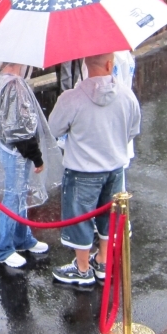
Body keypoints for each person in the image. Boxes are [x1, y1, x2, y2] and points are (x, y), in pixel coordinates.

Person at [48, 52, 141, 288]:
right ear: (111, 64)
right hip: (115, 168)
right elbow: (133, 129)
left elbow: (54, 128)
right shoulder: (126, 95)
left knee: (80, 217)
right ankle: (102, 260)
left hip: (82, 171)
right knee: (108, 216)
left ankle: (81, 268)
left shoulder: (72, 98)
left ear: (85, 64)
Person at [0, 62, 57, 268]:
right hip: (16, 151)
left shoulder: (3, 82)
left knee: (20, 193)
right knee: (13, 196)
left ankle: (22, 238)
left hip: (10, 148)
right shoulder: (13, 86)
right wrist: (36, 156)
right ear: (13, 62)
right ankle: (2, 249)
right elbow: (20, 129)